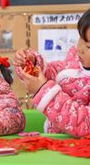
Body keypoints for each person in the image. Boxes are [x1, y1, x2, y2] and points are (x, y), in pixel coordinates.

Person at [13, 9, 90, 137]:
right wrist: (31, 64)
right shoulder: (72, 63)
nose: (80, 48)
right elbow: (51, 73)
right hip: (54, 140)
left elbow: (84, 123)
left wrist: (42, 90)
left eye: (88, 46)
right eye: (81, 38)